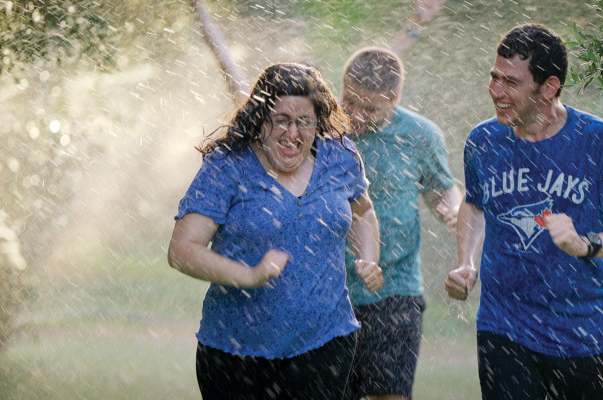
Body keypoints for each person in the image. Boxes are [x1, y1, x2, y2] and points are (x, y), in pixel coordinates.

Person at [444, 23, 603, 399]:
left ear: (550, 87)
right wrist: (466, 263)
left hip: (587, 334)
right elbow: (476, 206)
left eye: (510, 82)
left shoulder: (598, 141)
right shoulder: (483, 141)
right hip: (504, 328)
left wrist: (584, 244)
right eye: (494, 77)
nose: (496, 91)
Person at [167, 62, 384, 400]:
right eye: (281, 120)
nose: (292, 133)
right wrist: (248, 275)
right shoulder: (229, 166)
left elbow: (363, 211)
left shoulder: (340, 157)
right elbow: (183, 250)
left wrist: (369, 256)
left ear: (319, 121)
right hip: (234, 355)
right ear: (260, 119)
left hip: (325, 344)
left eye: (304, 122)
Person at [340, 47, 463, 400]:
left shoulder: (421, 136)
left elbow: (443, 189)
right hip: (332, 289)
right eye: (350, 102)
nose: (357, 116)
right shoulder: (327, 130)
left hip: (396, 290)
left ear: (394, 99)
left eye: (370, 108)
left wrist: (450, 211)